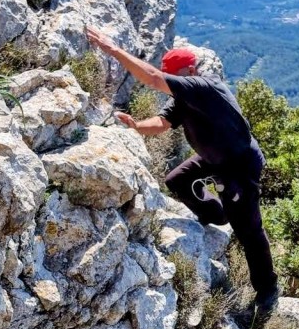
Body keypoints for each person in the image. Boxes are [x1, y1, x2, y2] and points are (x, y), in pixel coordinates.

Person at [85, 27, 280, 313]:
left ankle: (267, 288)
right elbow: (163, 123)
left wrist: (113, 50)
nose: (172, 82)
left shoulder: (204, 87)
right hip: (215, 159)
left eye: (175, 75)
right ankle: (218, 214)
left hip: (239, 165)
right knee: (177, 180)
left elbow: (152, 78)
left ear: (190, 70)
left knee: (248, 230)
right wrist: (137, 126)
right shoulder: (185, 99)